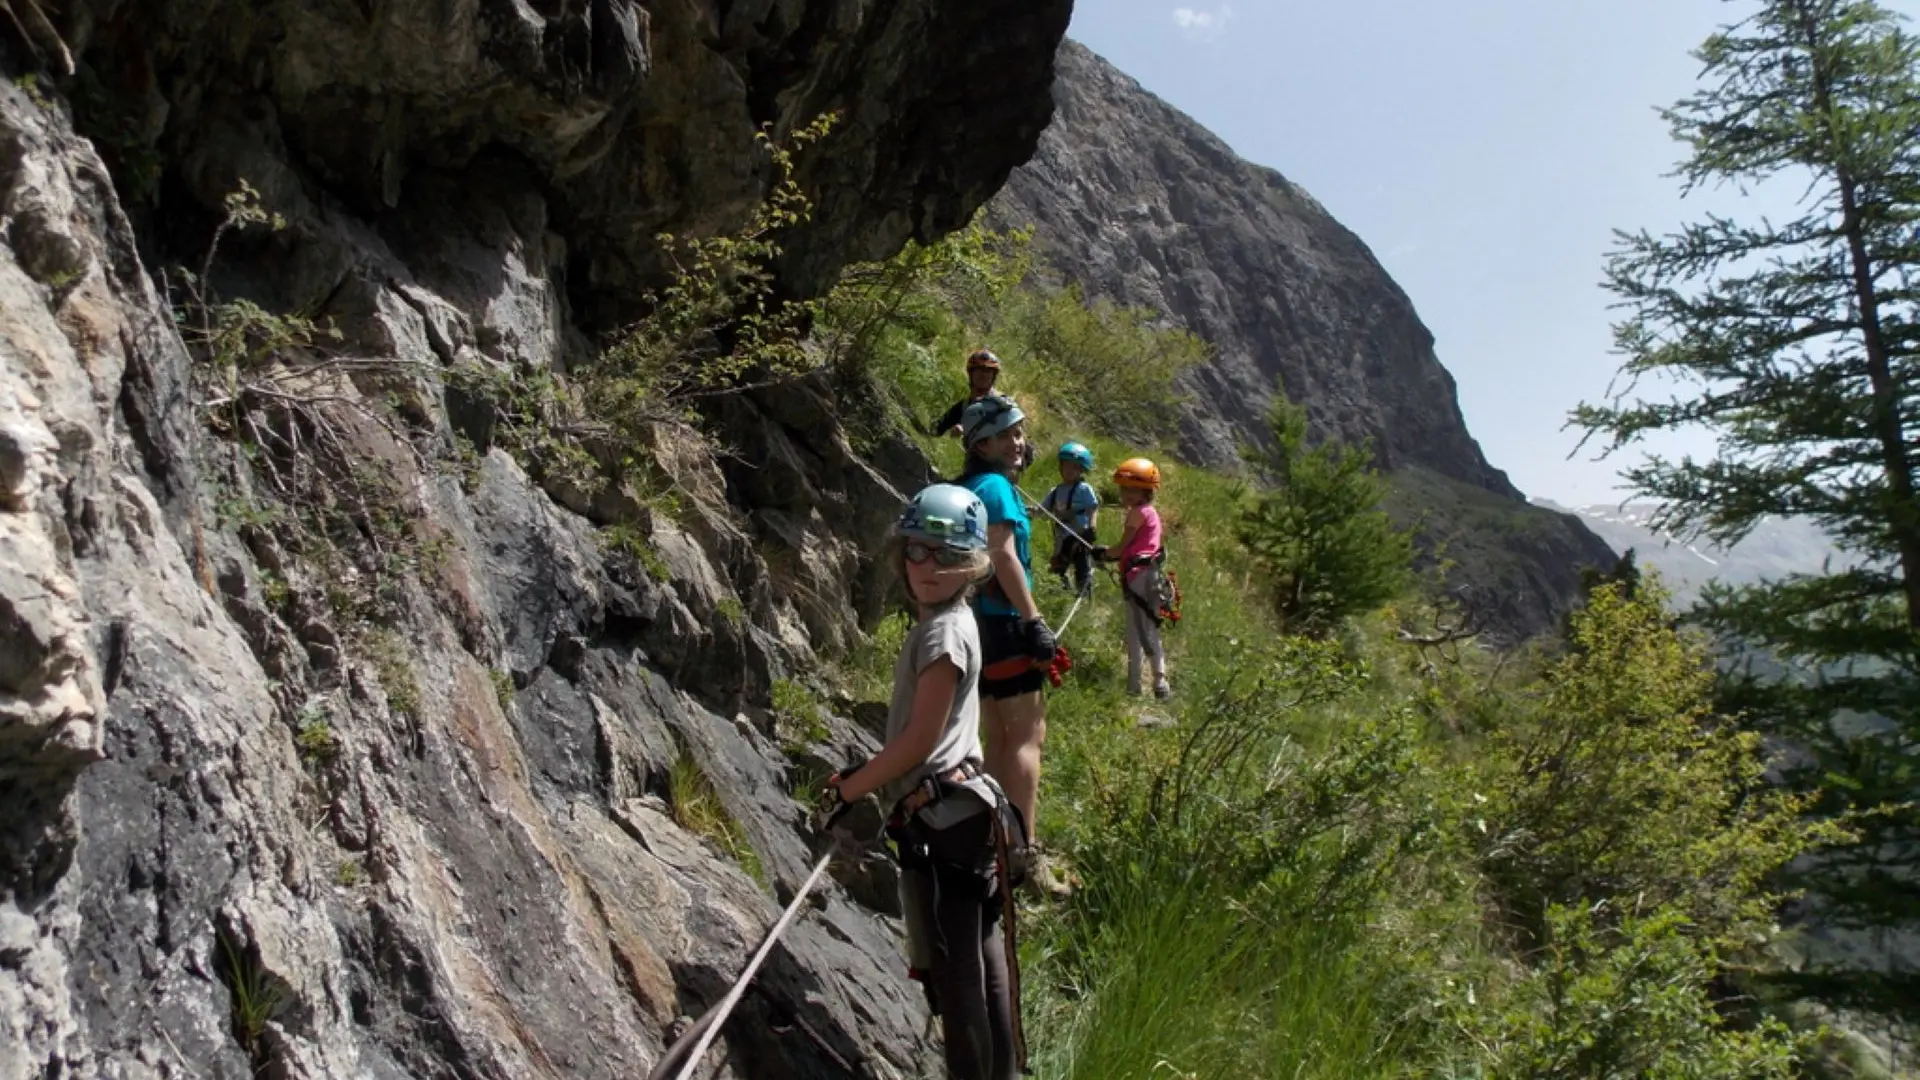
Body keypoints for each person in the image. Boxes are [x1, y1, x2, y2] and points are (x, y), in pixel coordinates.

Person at [817, 484, 1025, 1080]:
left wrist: (850, 790)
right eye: (916, 551)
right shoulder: (959, 621)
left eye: (944, 555)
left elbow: (920, 740)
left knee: (955, 979)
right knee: (984, 964)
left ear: (970, 564)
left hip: (940, 823)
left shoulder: (939, 634)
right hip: (968, 813)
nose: (927, 568)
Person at [952, 394, 1057, 873]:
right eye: (1009, 434)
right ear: (984, 442)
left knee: (996, 734)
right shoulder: (995, 488)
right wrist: (1034, 620)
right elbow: (1004, 555)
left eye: (1019, 432)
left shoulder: (967, 484)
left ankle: (989, 836)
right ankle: (1020, 849)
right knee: (1025, 737)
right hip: (1004, 621)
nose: (1019, 441)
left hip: (975, 623)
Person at [1096, 457, 1172, 699]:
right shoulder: (1151, 513)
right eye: (1123, 488)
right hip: (1152, 574)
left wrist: (1103, 553)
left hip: (1137, 577)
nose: (1124, 493)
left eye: (1130, 489)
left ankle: (1134, 686)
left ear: (1144, 491)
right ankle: (1160, 680)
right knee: (1150, 627)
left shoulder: (1136, 514)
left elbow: (1123, 547)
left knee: (1135, 631)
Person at [1042, 443, 1099, 596]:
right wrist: (1029, 511)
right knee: (1057, 568)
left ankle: (1084, 598)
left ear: (1081, 470)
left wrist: (1092, 527)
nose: (1069, 471)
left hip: (1079, 536)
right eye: (1066, 466)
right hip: (1062, 538)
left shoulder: (1084, 489)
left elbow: (1092, 507)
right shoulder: (1055, 492)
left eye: (1074, 467)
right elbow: (1042, 510)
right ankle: (1065, 594)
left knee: (1082, 570)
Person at [933, 349, 1002, 438]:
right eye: (980, 369)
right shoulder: (963, 406)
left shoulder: (1002, 404)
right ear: (971, 373)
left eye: (988, 371)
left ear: (993, 376)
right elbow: (936, 429)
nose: (983, 374)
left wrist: (966, 429)